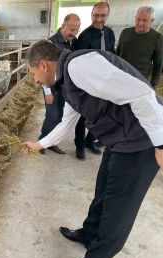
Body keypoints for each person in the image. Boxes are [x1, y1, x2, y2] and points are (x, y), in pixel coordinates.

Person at [22, 40, 163, 258]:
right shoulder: (67, 80)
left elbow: (141, 94)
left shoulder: (80, 67)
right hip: (120, 140)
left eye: (33, 72)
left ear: (44, 65)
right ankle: (90, 235)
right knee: (103, 191)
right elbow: (66, 124)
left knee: (119, 207)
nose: (35, 80)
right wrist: (38, 144)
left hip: (141, 141)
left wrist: (160, 143)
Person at [74, 2, 116, 160]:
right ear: (91, 15)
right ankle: (79, 145)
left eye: (102, 15)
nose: (99, 19)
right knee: (83, 115)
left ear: (107, 16)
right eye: (96, 15)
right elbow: (78, 62)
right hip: (88, 83)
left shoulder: (110, 34)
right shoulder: (84, 36)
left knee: (100, 114)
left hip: (105, 81)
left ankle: (89, 141)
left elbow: (112, 55)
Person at [39, 13, 81, 155]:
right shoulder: (50, 44)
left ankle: (52, 142)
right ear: (63, 26)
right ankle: (42, 142)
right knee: (52, 116)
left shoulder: (73, 41)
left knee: (60, 117)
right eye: (71, 29)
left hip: (65, 86)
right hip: (52, 87)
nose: (73, 33)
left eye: (76, 30)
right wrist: (48, 92)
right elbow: (42, 69)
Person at [117, 6, 163, 90]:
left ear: (152, 21)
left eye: (145, 20)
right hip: (122, 77)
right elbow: (117, 54)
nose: (140, 23)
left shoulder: (157, 38)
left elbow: (158, 64)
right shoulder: (125, 32)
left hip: (142, 81)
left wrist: (153, 86)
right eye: (138, 19)